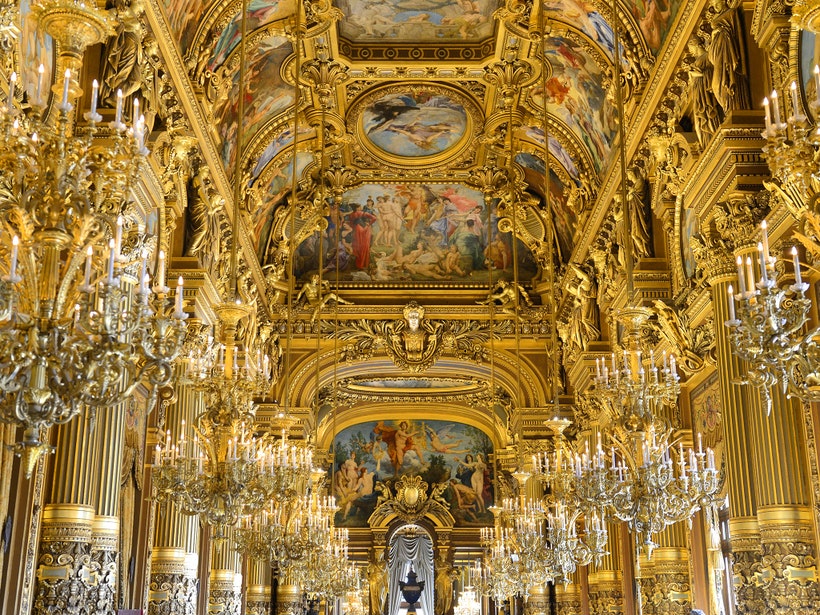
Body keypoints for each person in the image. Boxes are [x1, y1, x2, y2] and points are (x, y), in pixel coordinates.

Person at [346, 203, 378, 269]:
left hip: (357, 230)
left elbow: (352, 224)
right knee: (365, 246)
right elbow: (374, 218)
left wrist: (354, 229)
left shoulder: (351, 215)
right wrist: (368, 224)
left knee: (358, 247)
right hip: (365, 229)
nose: (361, 208)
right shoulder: (363, 213)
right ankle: (364, 264)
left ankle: (359, 264)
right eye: (360, 207)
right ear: (357, 208)